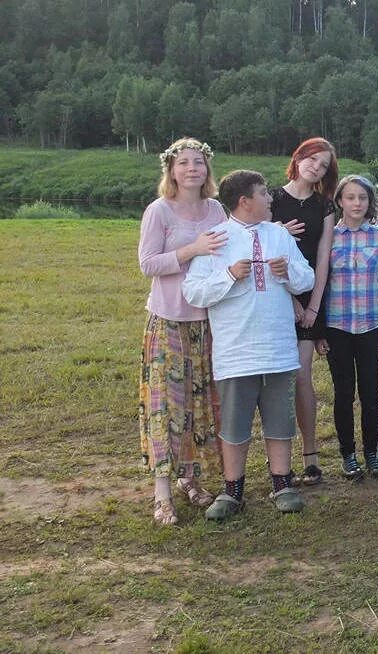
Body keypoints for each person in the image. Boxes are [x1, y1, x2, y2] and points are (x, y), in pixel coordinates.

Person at [183, 170, 315, 519]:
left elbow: (307, 278)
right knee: (235, 424)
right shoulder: (215, 240)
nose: (271, 198)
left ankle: (282, 484)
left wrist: (287, 273)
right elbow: (193, 291)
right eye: (264, 193)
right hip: (236, 350)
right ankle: (232, 491)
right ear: (245, 201)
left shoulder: (279, 236)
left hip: (278, 348)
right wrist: (228, 275)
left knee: (279, 421)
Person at [137, 138, 227, 525]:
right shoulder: (159, 211)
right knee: (167, 404)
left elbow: (228, 253)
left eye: (199, 162)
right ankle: (162, 494)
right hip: (169, 319)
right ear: (171, 171)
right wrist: (192, 249)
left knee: (201, 402)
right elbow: (148, 264)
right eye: (184, 163)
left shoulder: (217, 209)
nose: (193, 168)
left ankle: (192, 479)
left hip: (208, 320)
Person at [271, 137, 338, 486]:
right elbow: (259, 245)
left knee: (301, 376)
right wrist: (290, 300)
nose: (315, 166)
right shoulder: (270, 198)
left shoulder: (325, 207)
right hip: (272, 296)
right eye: (311, 158)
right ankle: (278, 461)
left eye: (323, 165)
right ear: (297, 158)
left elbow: (324, 259)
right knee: (276, 381)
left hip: (310, 299)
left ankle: (310, 455)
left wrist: (312, 306)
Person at [325, 175, 378, 480]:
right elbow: (321, 284)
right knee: (343, 393)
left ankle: (372, 452)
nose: (357, 203)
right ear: (340, 201)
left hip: (371, 324)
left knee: (371, 392)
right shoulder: (329, 238)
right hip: (337, 326)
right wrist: (320, 331)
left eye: (362, 197)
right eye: (350, 197)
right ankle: (348, 454)